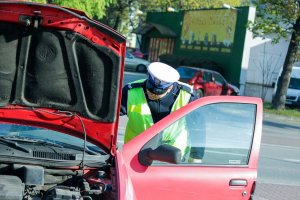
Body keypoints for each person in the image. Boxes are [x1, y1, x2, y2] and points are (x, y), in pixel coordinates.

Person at [120, 62, 200, 160]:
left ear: (170, 87)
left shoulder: (187, 95)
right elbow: (111, 116)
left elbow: (198, 127)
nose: (152, 94)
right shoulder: (131, 91)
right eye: (149, 89)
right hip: (135, 152)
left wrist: (196, 156)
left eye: (158, 92)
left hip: (173, 155)